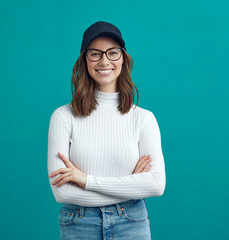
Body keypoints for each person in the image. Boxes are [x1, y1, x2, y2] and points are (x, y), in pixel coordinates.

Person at [47, 21, 166, 240]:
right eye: (95, 54)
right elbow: (61, 192)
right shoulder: (63, 117)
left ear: (123, 58)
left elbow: (156, 184)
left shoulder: (143, 118)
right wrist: (129, 185)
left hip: (132, 223)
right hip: (79, 224)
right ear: (85, 60)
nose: (104, 61)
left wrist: (85, 180)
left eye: (112, 53)